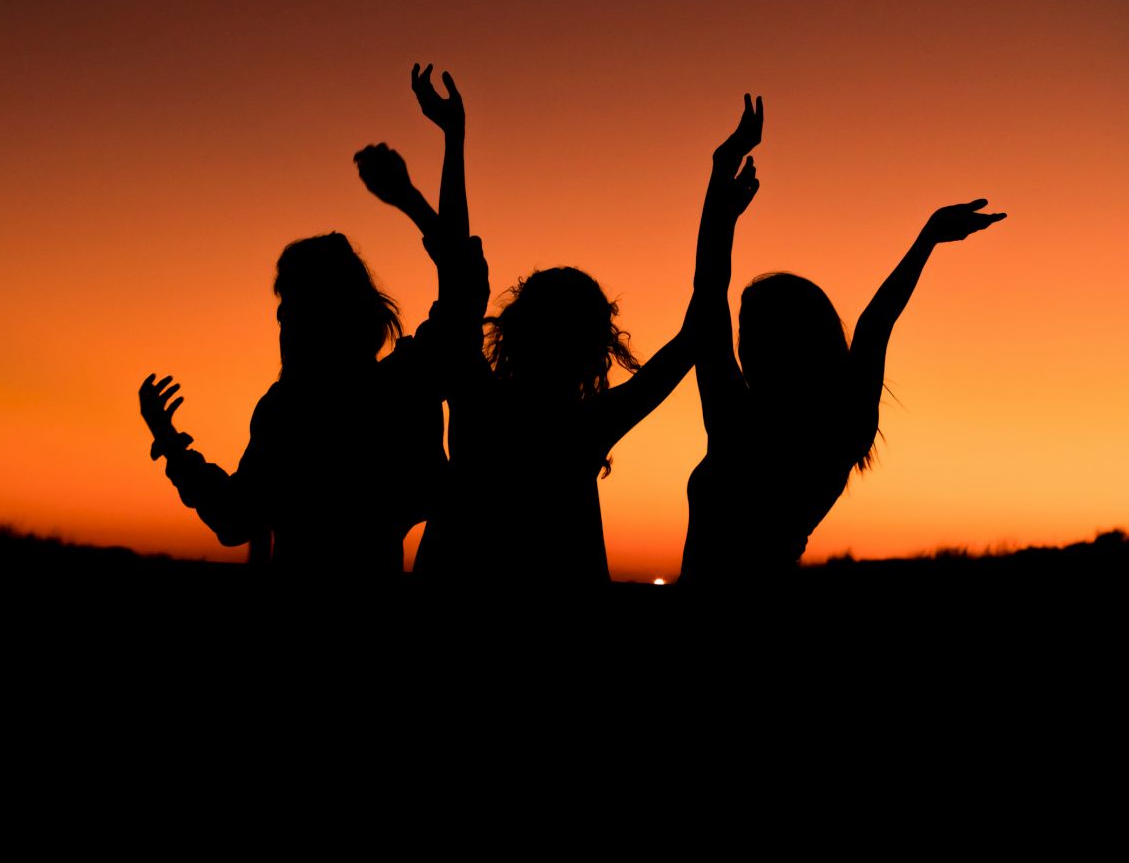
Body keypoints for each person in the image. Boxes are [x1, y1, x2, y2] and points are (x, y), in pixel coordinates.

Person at [365, 66, 761, 586]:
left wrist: (452, 139)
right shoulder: (586, 426)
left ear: (514, 327)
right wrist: (720, 203)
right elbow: (699, 326)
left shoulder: (477, 397)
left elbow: (457, 276)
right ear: (597, 347)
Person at [680, 95, 1007, 585]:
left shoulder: (737, 420)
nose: (741, 344)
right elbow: (875, 324)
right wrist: (927, 239)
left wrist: (721, 179)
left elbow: (708, 290)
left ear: (783, 341)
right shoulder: (840, 426)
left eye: (751, 330)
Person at [139, 224, 447, 582]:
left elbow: (235, 517)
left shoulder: (288, 409)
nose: (281, 317)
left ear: (316, 313)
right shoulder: (398, 387)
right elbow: (459, 301)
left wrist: (171, 444)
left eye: (289, 304)